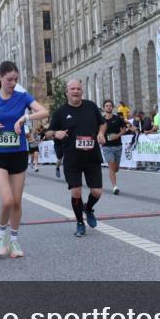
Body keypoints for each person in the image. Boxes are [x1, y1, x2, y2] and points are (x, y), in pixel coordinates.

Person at [0, 61, 49, 258]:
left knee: (16, 202)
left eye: (16, 79)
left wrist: (25, 119)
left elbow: (44, 111)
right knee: (6, 200)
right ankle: (1, 235)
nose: (13, 83)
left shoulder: (22, 97)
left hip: (18, 153)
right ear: (0, 77)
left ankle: (14, 241)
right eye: (9, 80)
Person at [48, 79, 107, 237]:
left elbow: (102, 123)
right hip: (72, 159)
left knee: (97, 192)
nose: (76, 91)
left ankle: (88, 208)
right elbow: (47, 132)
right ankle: (80, 222)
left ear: (82, 91)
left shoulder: (91, 106)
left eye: (78, 89)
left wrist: (101, 133)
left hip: (92, 157)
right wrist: (55, 133)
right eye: (72, 89)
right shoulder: (60, 112)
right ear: (66, 92)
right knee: (76, 193)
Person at [101, 99, 129, 195]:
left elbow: (124, 129)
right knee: (111, 166)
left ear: (112, 107)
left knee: (116, 168)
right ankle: (115, 187)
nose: (108, 107)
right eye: (106, 106)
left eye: (110, 105)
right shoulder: (101, 120)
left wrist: (117, 135)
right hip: (106, 147)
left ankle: (114, 172)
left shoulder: (117, 119)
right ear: (104, 108)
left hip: (117, 146)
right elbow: (98, 132)